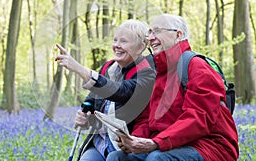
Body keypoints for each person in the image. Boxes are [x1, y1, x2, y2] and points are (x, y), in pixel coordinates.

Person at [106, 14, 239, 161]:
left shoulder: (197, 67)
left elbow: (198, 118)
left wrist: (156, 143)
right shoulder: (160, 72)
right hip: (171, 144)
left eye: (156, 31)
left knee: (157, 158)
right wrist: (133, 140)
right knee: (117, 157)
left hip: (210, 147)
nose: (150, 38)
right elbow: (149, 121)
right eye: (149, 32)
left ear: (178, 35)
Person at [55, 19, 156, 161]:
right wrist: (85, 117)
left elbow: (121, 92)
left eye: (124, 41)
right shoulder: (108, 67)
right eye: (115, 40)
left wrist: (80, 69)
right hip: (100, 142)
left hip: (125, 146)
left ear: (141, 47)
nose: (116, 46)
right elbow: (93, 99)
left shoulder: (148, 72)